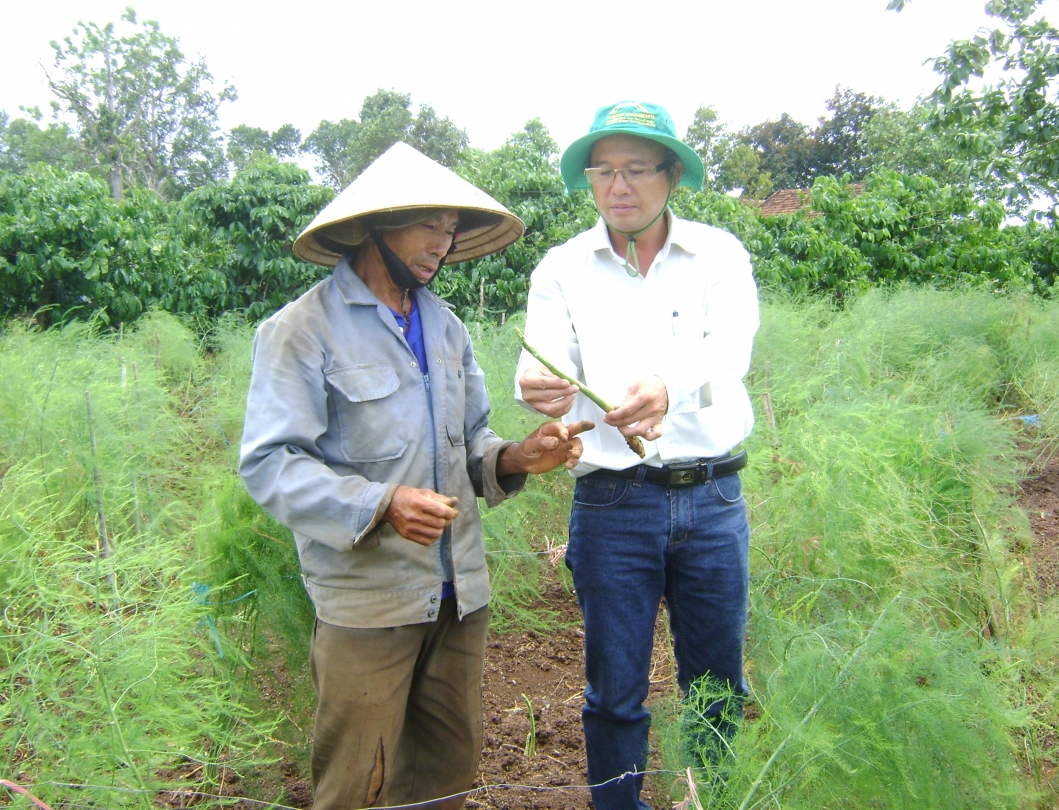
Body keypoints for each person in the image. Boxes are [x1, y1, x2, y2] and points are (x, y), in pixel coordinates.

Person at [239, 142, 591, 810]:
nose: (444, 240)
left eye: (452, 227)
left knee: (443, 778)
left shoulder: (445, 326)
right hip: (369, 604)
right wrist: (381, 504)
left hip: (459, 596)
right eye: (429, 223)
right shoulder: (301, 331)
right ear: (377, 224)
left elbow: (473, 435)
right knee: (357, 783)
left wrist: (518, 456)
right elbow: (270, 463)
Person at [515, 101, 759, 809]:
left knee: (716, 684)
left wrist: (667, 387)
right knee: (614, 688)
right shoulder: (562, 267)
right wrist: (540, 388)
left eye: (636, 170)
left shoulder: (719, 254)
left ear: (671, 174)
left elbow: (730, 347)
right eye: (603, 171)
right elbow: (541, 364)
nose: (618, 186)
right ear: (589, 181)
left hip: (712, 497)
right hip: (613, 501)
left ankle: (708, 799)